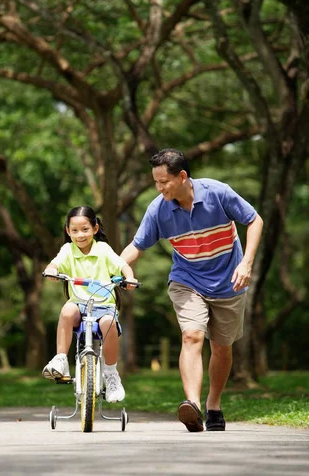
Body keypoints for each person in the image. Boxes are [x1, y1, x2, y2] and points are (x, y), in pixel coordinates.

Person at [120, 149, 263, 431]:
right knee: (192, 335)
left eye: (164, 182)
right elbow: (136, 247)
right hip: (187, 279)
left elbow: (254, 220)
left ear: (182, 176)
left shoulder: (217, 193)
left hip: (228, 282)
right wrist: (114, 268)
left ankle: (214, 404)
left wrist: (246, 263)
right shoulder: (159, 209)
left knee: (221, 348)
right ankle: (192, 405)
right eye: (155, 183)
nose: (159, 188)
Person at [42, 205, 138, 403]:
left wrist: (129, 278)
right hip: (79, 304)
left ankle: (111, 374)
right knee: (67, 310)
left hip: (104, 306)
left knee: (108, 323)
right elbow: (55, 264)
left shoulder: (103, 249)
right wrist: (51, 270)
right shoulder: (67, 250)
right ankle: (60, 359)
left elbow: (122, 265)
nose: (80, 235)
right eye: (74, 230)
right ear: (68, 231)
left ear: (95, 228)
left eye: (85, 229)